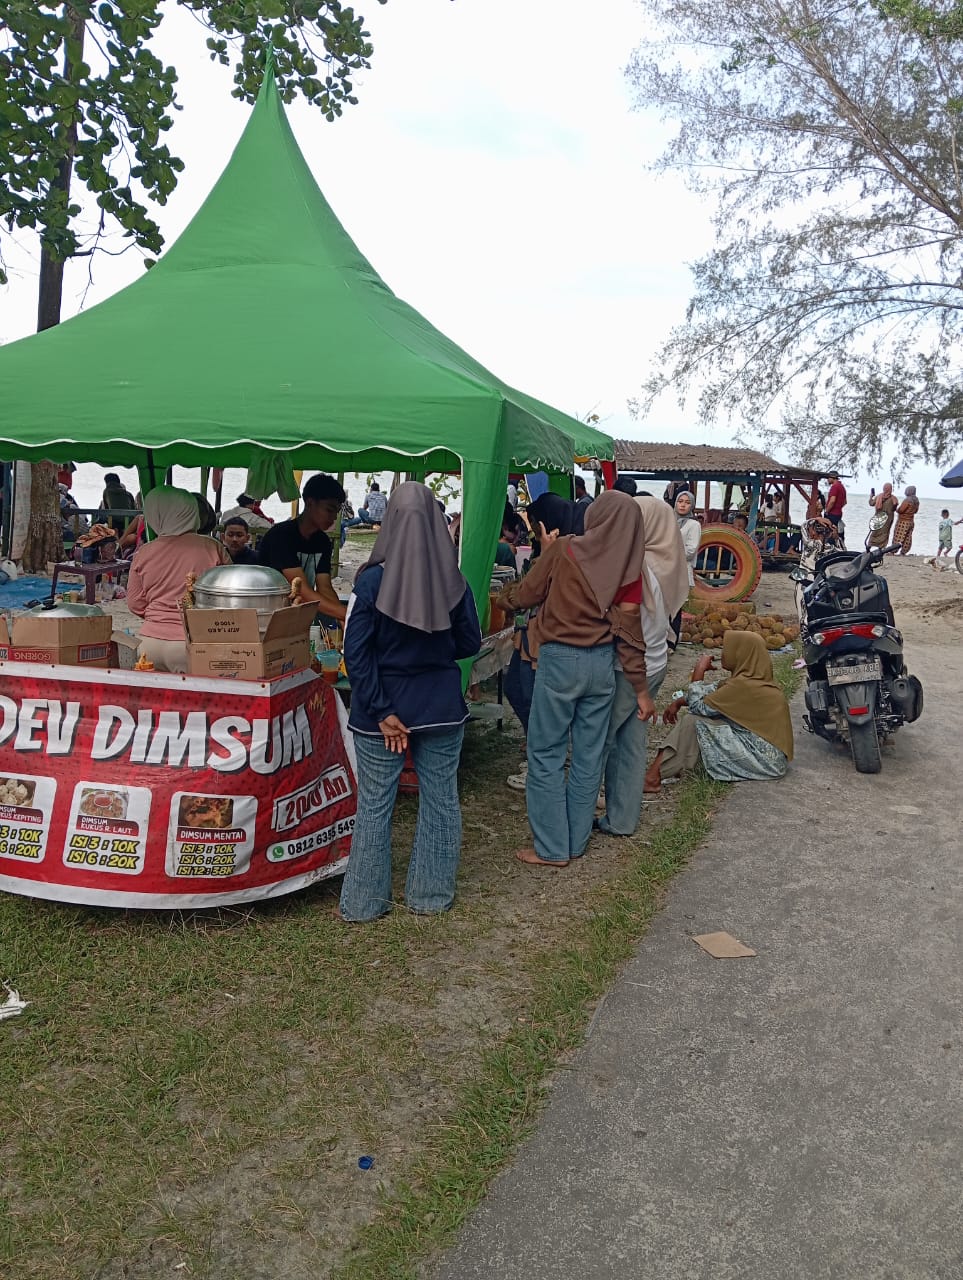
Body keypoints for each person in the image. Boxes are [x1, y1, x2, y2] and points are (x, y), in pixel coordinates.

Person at [338, 483, 482, 923]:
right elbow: (468, 642)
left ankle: (364, 904)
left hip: (380, 714)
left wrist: (384, 710)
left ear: (389, 523)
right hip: (439, 707)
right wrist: (430, 656)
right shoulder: (454, 581)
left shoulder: (371, 581)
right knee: (441, 800)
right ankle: (429, 897)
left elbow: (355, 652)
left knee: (375, 805)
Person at [496, 490, 654, 868]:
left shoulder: (565, 549)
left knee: (547, 753)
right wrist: (642, 690)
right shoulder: (629, 569)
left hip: (560, 662)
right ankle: (576, 841)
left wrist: (503, 598)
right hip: (602, 665)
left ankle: (551, 848)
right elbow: (631, 636)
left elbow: (526, 595)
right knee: (588, 757)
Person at [596, 495, 689, 837]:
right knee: (631, 741)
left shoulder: (637, 563)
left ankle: (578, 817)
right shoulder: (668, 556)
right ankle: (622, 819)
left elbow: (629, 623)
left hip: (633, 668)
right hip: (657, 662)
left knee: (600, 739)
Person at [503, 493, 585, 790]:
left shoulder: (563, 553)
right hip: (529, 637)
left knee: (535, 700)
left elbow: (526, 594)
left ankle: (544, 761)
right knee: (517, 690)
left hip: (544, 640)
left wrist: (546, 555)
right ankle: (541, 751)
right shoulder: (554, 551)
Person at [644, 631, 794, 790]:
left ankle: (652, 778)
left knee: (692, 722)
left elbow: (698, 708)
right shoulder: (753, 680)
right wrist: (681, 701)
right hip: (771, 760)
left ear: (740, 653)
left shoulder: (744, 686)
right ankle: (670, 766)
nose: (723, 653)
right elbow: (714, 692)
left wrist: (699, 671)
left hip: (765, 763)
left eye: (728, 648)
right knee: (707, 720)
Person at [126, 486, 229, 672]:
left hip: (148, 643)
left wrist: (158, 616)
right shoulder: (213, 548)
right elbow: (230, 596)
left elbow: (134, 603)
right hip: (193, 642)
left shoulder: (144, 552)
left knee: (155, 699)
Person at [257, 473, 347, 619]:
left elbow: (325, 587)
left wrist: (343, 619)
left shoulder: (323, 542)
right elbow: (302, 591)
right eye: (329, 510)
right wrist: (346, 614)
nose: (334, 518)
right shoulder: (281, 536)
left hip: (298, 615)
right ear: (310, 503)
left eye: (336, 513)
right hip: (267, 613)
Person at [670, 490, 701, 647]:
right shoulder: (670, 520)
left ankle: (672, 643)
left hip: (681, 570)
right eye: (680, 501)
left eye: (687, 502)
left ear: (692, 506)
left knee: (675, 609)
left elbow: (690, 550)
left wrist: (668, 552)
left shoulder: (693, 525)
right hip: (666, 570)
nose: (682, 505)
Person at [867, 483, 897, 549]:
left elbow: (871, 503)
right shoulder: (893, 498)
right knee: (885, 533)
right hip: (887, 519)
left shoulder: (879, 496)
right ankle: (881, 548)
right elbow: (895, 506)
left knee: (875, 532)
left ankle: (869, 546)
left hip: (878, 517)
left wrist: (871, 496)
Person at [892, 485, 920, 554]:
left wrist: (895, 508)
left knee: (898, 537)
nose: (905, 492)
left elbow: (901, 510)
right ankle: (903, 552)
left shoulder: (907, 500)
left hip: (903, 521)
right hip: (911, 521)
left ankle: (893, 551)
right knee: (908, 537)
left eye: (906, 490)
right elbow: (916, 511)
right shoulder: (916, 501)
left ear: (909, 491)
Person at [823, 471, 847, 537]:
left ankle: (830, 545)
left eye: (828, 477)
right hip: (838, 514)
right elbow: (845, 502)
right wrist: (838, 507)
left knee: (830, 533)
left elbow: (832, 501)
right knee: (836, 531)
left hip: (832, 514)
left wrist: (827, 511)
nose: (827, 479)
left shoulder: (835, 487)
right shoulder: (842, 487)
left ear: (832, 477)